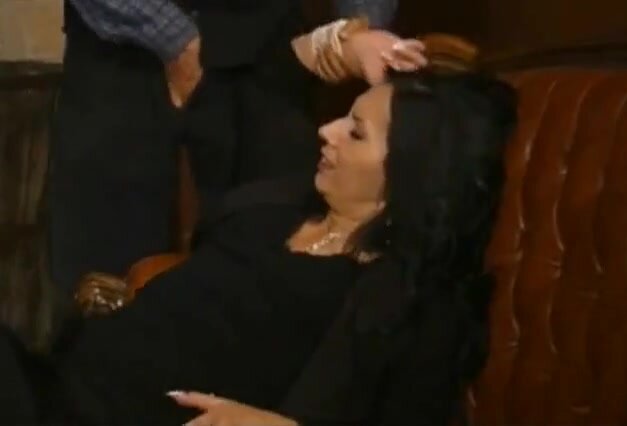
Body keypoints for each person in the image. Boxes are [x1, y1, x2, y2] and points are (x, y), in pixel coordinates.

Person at [2, 27, 517, 426]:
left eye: (355, 132)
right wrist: (345, 43)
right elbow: (248, 81)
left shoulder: (398, 297)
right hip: (59, 385)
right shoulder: (281, 204)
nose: (328, 130)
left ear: (406, 174)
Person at [48, 0, 404, 300]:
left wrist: (358, 29)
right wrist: (177, 42)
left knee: (265, 282)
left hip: (267, 56)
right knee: (103, 280)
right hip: (123, 49)